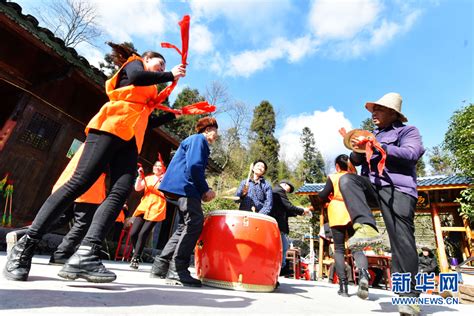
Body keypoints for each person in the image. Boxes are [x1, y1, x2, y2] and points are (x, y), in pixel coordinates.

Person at [4, 43, 186, 283]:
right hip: (110, 127)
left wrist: (174, 113)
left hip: (131, 140)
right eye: (158, 63)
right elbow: (137, 77)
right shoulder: (134, 64)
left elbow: (146, 122)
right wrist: (169, 74)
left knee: (120, 192)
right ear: (146, 58)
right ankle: (26, 243)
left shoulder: (148, 96)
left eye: (163, 66)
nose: (161, 67)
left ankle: (86, 253)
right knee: (79, 182)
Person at [339, 92, 425, 315]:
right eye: (372, 110)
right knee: (348, 180)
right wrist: (357, 145)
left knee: (402, 241)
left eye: (379, 110)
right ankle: (365, 227)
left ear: (393, 113)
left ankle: (409, 296)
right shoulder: (371, 133)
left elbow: (411, 153)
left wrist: (378, 145)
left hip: (399, 189)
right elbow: (356, 161)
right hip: (374, 187)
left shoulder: (408, 131)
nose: (373, 114)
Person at [150, 117, 218, 287]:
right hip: (186, 188)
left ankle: (161, 266)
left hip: (181, 188)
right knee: (195, 223)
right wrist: (204, 190)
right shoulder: (199, 140)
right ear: (208, 129)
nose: (216, 135)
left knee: (183, 226)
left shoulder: (194, 141)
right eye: (216, 131)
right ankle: (177, 270)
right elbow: (194, 166)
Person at [319, 154, 370, 299]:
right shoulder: (355, 177)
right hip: (354, 210)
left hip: (337, 212)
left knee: (339, 249)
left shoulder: (333, 177)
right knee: (357, 247)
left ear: (337, 166)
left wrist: (323, 195)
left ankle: (343, 287)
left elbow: (322, 195)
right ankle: (363, 275)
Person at [129, 160, 167, 269]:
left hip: (157, 206)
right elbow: (138, 188)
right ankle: (136, 249)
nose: (157, 168)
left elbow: (167, 193)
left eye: (160, 166)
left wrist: (164, 182)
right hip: (145, 205)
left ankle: (136, 257)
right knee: (133, 233)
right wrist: (140, 176)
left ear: (164, 168)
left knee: (143, 233)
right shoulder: (149, 178)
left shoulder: (165, 179)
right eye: (156, 165)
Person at [269, 180, 311, 276]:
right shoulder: (279, 191)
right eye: (289, 188)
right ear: (284, 184)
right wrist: (302, 210)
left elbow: (286, 210)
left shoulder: (276, 191)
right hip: (278, 223)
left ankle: (281, 267)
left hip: (278, 223)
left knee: (284, 246)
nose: (288, 191)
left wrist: (300, 213)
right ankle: (282, 267)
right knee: (284, 246)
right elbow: (288, 206)